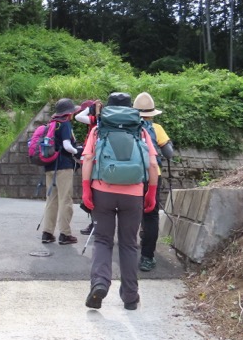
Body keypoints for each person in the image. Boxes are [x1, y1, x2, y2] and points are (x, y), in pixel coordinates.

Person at [81, 92, 159, 311]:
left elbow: (87, 160)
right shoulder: (141, 130)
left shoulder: (99, 130)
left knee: (103, 240)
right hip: (133, 194)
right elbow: (152, 165)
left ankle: (99, 284)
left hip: (102, 191)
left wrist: (86, 190)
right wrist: (150, 193)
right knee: (128, 243)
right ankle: (131, 297)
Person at [133, 92, 174, 272]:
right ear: (151, 113)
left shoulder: (128, 127)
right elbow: (169, 154)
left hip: (130, 178)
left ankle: (127, 252)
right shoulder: (156, 128)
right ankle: (147, 257)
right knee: (151, 215)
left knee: (130, 213)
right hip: (152, 177)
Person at [41, 98, 82, 245]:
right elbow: (66, 145)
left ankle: (47, 233)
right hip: (63, 167)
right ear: (69, 113)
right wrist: (77, 151)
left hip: (50, 167)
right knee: (65, 200)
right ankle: (65, 234)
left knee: (51, 200)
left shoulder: (52, 124)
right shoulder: (64, 124)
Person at [74, 99, 102, 236]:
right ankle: (95, 224)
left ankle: (95, 224)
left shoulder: (94, 120)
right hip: (100, 161)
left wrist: (91, 108)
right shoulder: (101, 121)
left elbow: (78, 117)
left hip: (92, 162)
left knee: (92, 194)